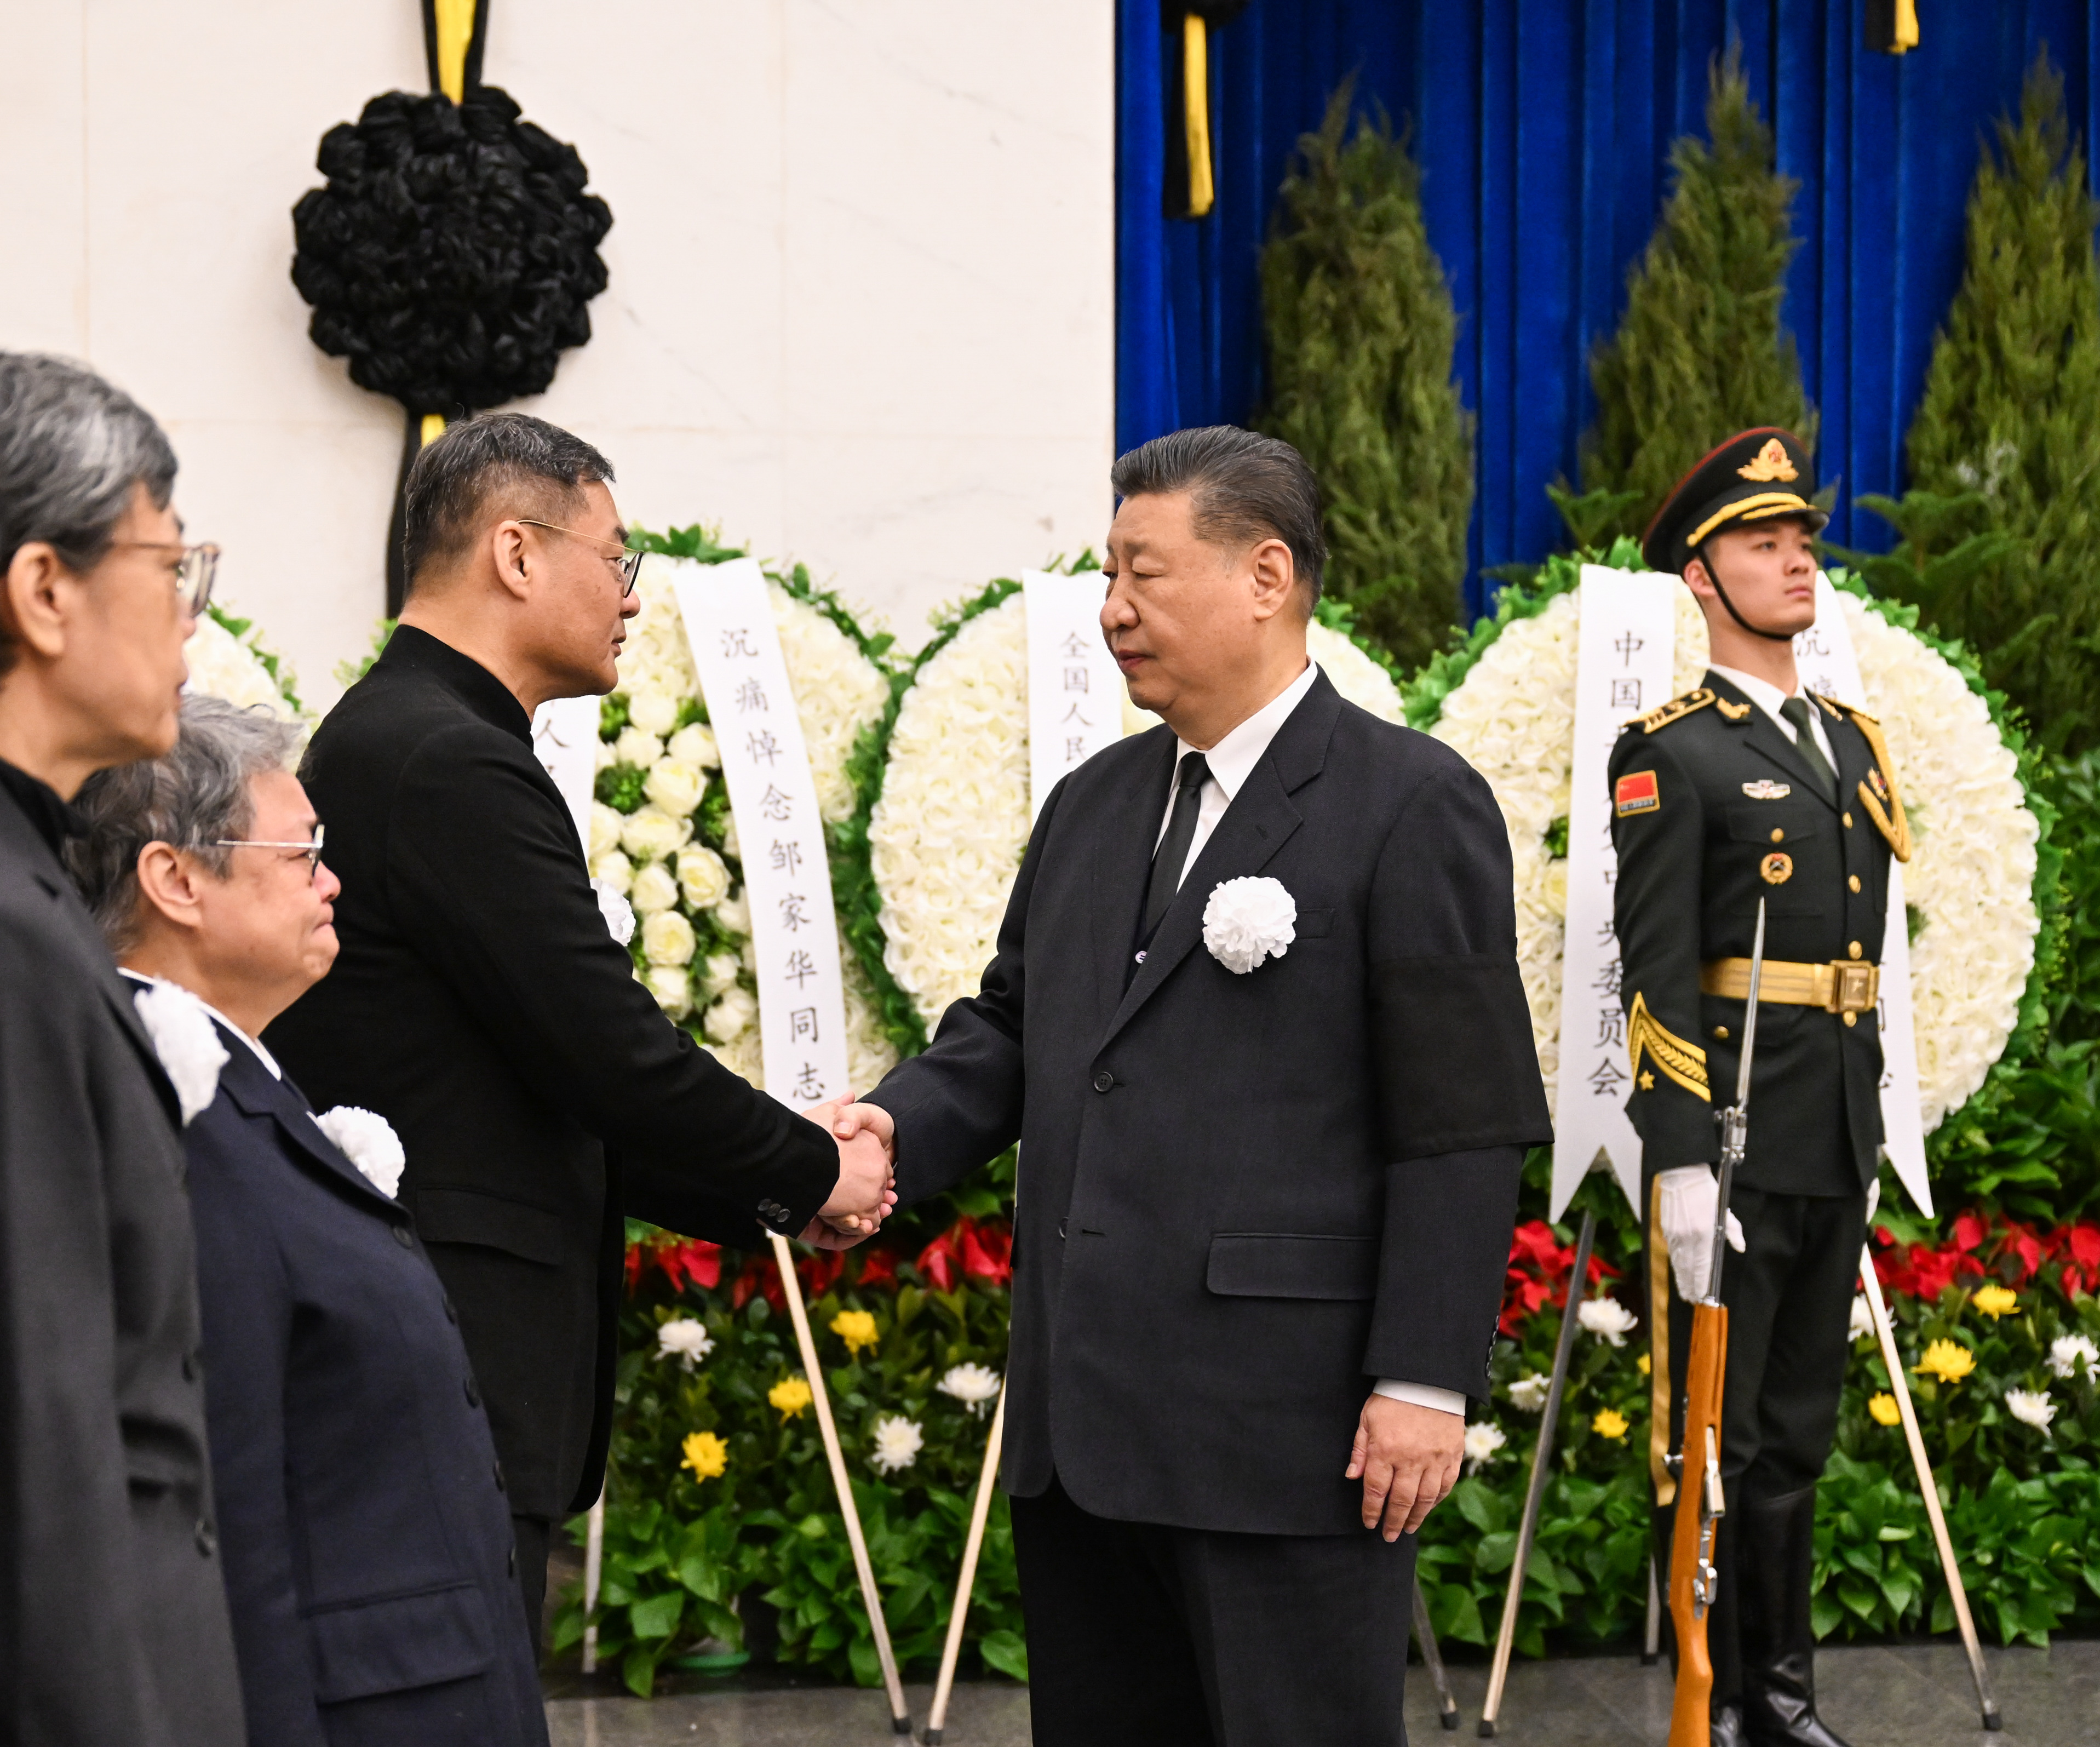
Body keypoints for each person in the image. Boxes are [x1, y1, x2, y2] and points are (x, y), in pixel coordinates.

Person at [829, 426, 1551, 1744]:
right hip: (1089, 1430)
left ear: (1267, 575)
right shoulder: (1095, 806)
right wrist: (887, 1133)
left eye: (1144, 575)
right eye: (1110, 575)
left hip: (1289, 1435)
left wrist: (1426, 1381)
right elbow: (1011, 1029)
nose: (1113, 610)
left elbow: (1463, 1124)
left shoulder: (1409, 802)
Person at [265, 412, 893, 1633]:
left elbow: (547, 1076)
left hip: (434, 1353)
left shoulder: (413, 733)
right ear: (515, 552)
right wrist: (816, 1161)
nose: (634, 600)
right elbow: (610, 1051)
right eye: (617, 559)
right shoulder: (445, 756)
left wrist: (774, 1193)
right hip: (441, 1351)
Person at [70, 695, 549, 1747]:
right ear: (177, 880)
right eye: (303, 853)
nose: (334, 881)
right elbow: (226, 1516)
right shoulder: (172, 1116)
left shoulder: (249, 1087)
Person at [1611, 428, 1901, 1747]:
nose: (1794, 561)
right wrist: (1676, 1155)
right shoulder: (1672, 751)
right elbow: (1657, 967)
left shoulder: (1851, 742)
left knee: (1796, 1430)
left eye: (1802, 542)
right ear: (1700, 579)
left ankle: (1783, 1702)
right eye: (1761, 544)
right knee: (1714, 1439)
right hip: (1729, 1132)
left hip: (1831, 1127)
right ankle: (1715, 1702)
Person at [0, 352, 245, 1745]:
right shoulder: (17, 941)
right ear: (44, 590)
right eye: (171, 567)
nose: (190, 631)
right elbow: (46, 1439)